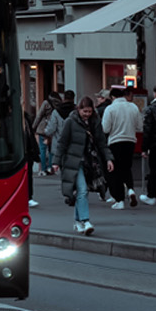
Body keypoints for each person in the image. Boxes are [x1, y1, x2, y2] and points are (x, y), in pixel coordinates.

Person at [50, 95, 111, 236]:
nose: (87, 114)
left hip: (90, 162)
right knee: (82, 190)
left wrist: (109, 159)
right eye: (85, 111)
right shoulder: (70, 122)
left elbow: (101, 142)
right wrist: (56, 162)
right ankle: (85, 220)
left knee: (82, 191)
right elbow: (62, 143)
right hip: (74, 162)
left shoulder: (95, 122)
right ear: (79, 109)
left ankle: (78, 221)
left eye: (89, 111)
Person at [100, 86, 142, 208]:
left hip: (115, 141)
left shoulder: (110, 108)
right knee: (126, 167)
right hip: (130, 141)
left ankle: (119, 200)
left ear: (112, 97)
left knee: (115, 170)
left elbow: (105, 128)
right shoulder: (133, 107)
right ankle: (130, 189)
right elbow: (139, 126)